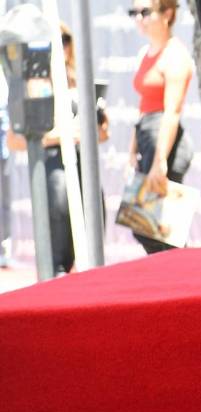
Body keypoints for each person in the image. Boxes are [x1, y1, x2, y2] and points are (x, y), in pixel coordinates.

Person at [6, 22, 108, 275]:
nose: (61, 47)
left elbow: (104, 133)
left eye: (65, 40)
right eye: (55, 41)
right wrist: (57, 137)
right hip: (53, 173)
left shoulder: (82, 83)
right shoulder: (35, 85)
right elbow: (15, 139)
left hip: (85, 168)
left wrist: (86, 131)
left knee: (92, 248)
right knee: (57, 253)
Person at [128, 0, 193, 254]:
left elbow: (171, 112)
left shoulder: (176, 54)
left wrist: (159, 160)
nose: (139, 18)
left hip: (165, 143)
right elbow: (143, 106)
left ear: (168, 14)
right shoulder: (145, 53)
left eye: (145, 12)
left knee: (161, 232)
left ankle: (182, 286)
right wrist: (132, 149)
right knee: (148, 227)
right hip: (148, 138)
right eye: (134, 12)